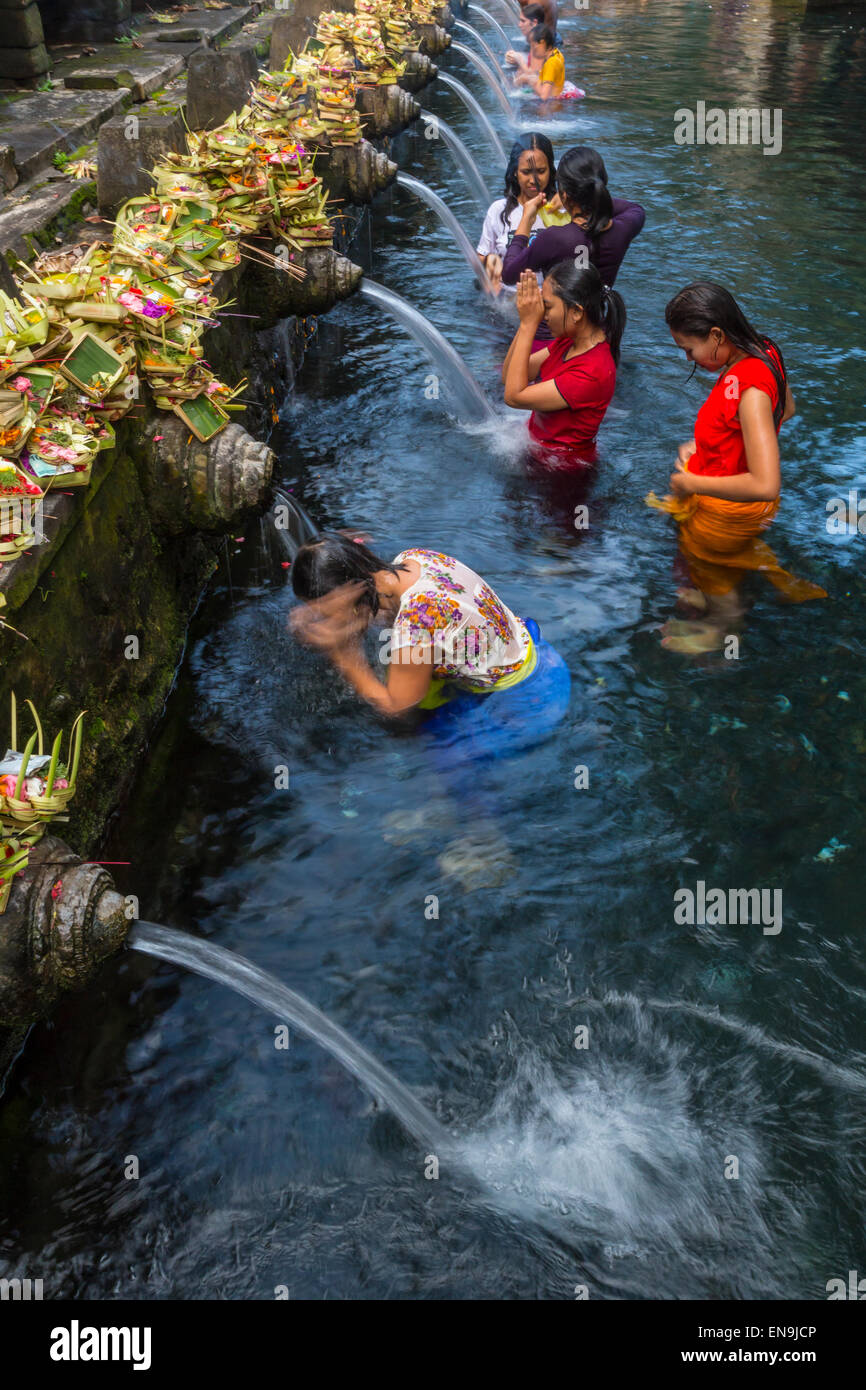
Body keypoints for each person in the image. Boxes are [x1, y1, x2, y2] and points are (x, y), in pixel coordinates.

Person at [647, 282, 826, 653]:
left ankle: (723, 626)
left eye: (689, 349)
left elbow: (765, 484)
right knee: (712, 562)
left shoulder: (749, 387)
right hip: (733, 500)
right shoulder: (766, 351)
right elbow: (787, 410)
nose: (689, 359)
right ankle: (726, 590)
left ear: (716, 334)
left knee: (708, 565)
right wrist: (707, 445)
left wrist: (693, 482)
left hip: (729, 511)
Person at [289, 534, 570, 757]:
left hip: (528, 700)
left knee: (443, 757)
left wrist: (344, 654)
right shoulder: (413, 559)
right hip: (542, 656)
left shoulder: (415, 625)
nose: (322, 619)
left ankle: (480, 829)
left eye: (323, 611)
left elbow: (395, 706)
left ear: (348, 593)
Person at [502, 261, 625, 467]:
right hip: (539, 451)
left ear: (576, 312)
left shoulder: (592, 371)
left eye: (548, 306)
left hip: (561, 471)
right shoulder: (570, 341)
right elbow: (510, 377)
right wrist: (525, 323)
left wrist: (527, 325)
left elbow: (513, 397)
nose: (544, 314)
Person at [502, 145, 644, 289]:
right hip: (605, 310)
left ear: (564, 194)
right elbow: (635, 209)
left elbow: (508, 274)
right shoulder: (622, 230)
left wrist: (526, 219)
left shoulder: (554, 238)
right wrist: (589, 200)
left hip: (561, 311)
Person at [476, 133, 556, 296]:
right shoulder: (499, 210)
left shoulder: (561, 211)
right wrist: (491, 263)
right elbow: (482, 255)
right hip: (507, 299)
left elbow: (580, 257)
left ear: (551, 170)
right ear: (514, 172)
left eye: (541, 171)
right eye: (526, 172)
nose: (534, 180)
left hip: (550, 303)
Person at [505, 4, 548, 81]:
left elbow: (535, 78)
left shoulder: (540, 43)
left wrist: (519, 59)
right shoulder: (536, 39)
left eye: (523, 21)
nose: (519, 25)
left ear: (534, 23)